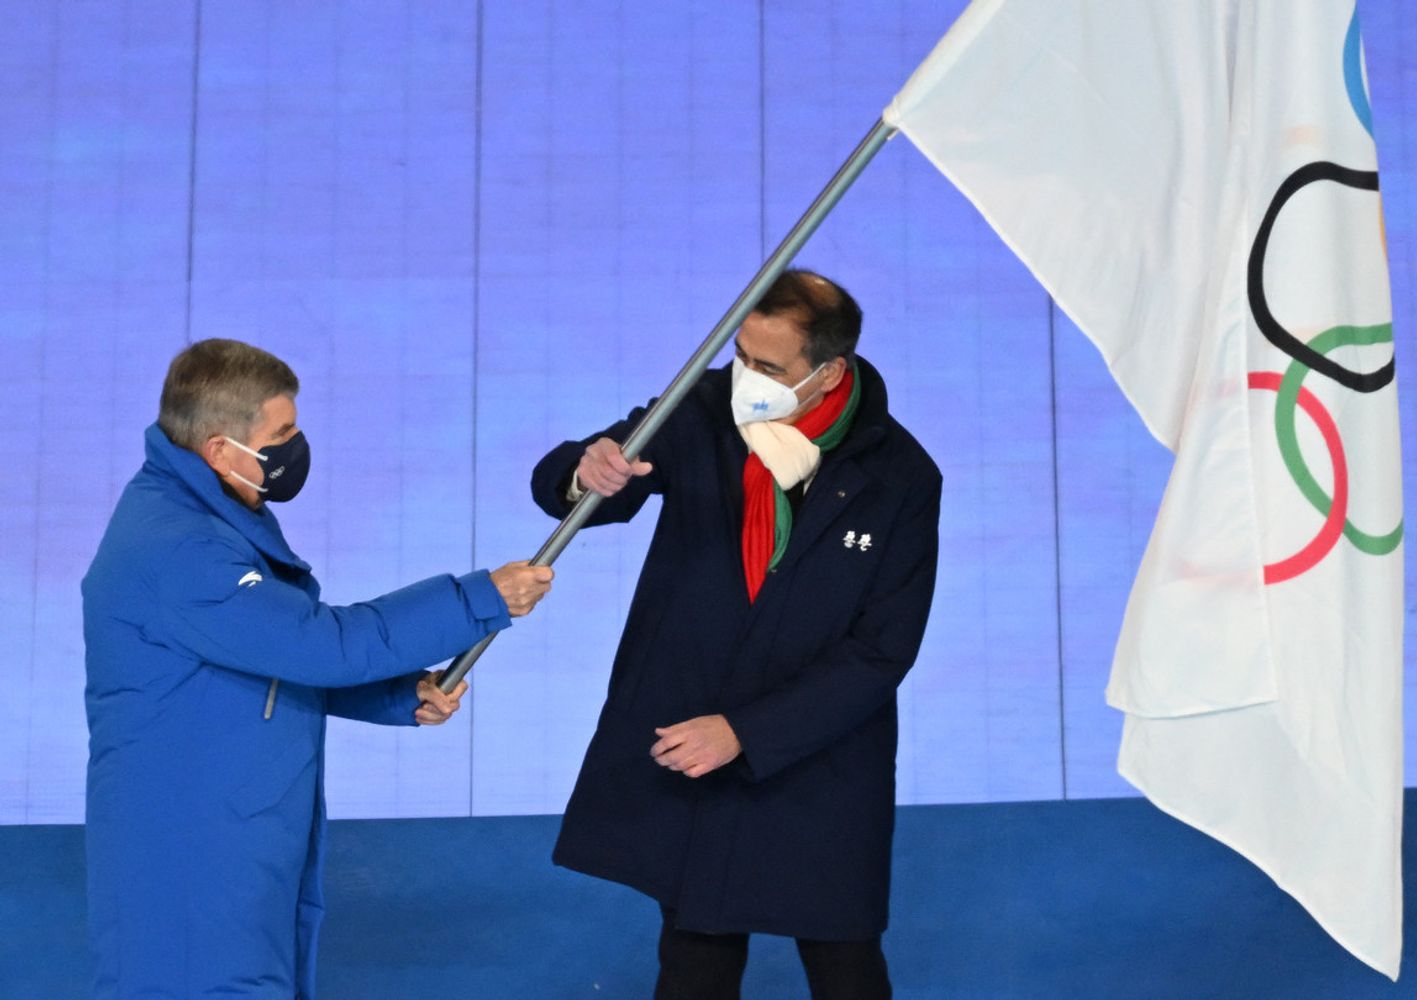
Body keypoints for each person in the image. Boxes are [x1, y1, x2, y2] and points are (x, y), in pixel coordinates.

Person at [82, 338, 554, 999]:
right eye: (283, 435)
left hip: (233, 830)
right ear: (221, 450)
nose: (295, 449)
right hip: (194, 851)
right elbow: (312, 644)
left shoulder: (214, 518)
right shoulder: (179, 547)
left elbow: (263, 659)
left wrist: (397, 695)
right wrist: (477, 599)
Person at [533, 269, 942, 1000]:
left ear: (828, 373)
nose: (745, 379)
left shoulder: (903, 477)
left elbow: (882, 651)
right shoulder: (702, 411)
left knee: (845, 964)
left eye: (769, 367)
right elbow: (576, 487)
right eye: (741, 356)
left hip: (818, 758)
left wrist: (747, 731)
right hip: (697, 741)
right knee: (695, 958)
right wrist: (585, 468)